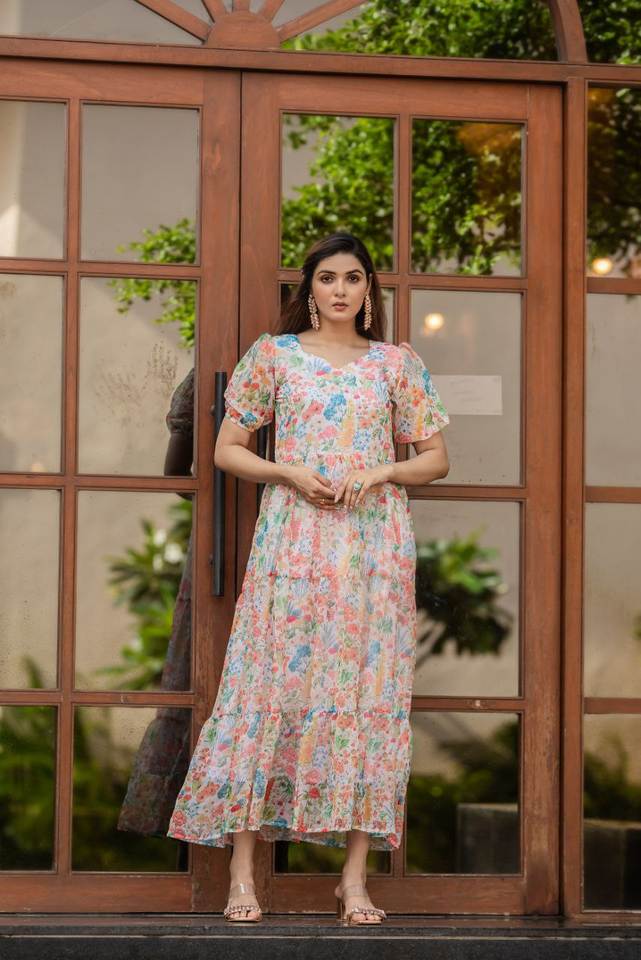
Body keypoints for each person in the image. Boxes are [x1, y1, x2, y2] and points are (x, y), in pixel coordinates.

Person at [166, 231, 450, 925]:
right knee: (267, 687)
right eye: (328, 278)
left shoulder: (396, 363)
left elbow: (435, 458)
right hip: (293, 540)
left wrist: (381, 470)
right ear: (310, 289)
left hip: (371, 547)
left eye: (353, 278)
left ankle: (353, 881)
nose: (341, 290)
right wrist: (288, 472)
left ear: (368, 289)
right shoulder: (274, 356)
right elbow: (227, 450)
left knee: (365, 697)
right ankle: (242, 872)